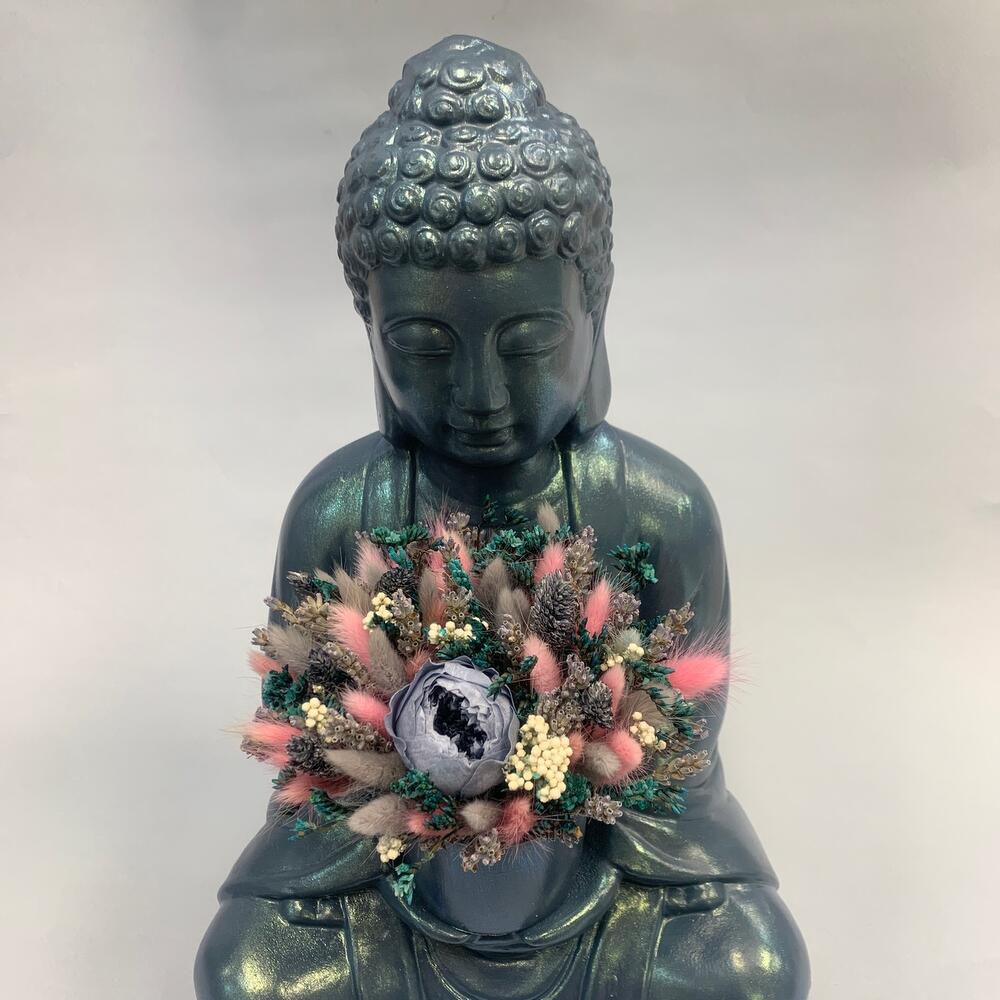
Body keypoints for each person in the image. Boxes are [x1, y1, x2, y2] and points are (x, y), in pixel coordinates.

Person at [195, 35, 809, 999]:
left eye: (526, 344)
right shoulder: (339, 508)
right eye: (425, 346)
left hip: (610, 863)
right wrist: (418, 800)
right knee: (249, 972)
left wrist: (552, 788)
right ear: (371, 329)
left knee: (749, 969)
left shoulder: (660, 506)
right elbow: (305, 745)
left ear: (593, 306)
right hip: (389, 869)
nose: (480, 394)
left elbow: (681, 758)